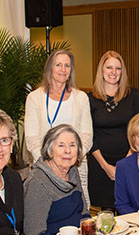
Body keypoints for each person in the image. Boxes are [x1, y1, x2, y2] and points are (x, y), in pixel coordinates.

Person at [25, 49, 93, 208]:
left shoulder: (81, 98)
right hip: (44, 167)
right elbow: (31, 137)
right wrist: (48, 163)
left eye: (67, 65)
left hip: (75, 166)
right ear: (50, 68)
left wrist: (73, 157)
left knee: (77, 211)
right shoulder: (34, 98)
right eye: (58, 65)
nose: (63, 69)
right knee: (45, 212)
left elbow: (87, 134)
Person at [87, 50, 139, 211]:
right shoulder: (90, 98)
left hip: (130, 161)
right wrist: (106, 166)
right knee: (106, 218)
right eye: (109, 67)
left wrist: (125, 163)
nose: (113, 72)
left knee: (131, 213)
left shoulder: (133, 95)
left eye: (118, 68)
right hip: (100, 166)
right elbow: (88, 136)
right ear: (101, 70)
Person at [24, 124, 90, 235]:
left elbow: (84, 214)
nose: (68, 151)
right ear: (49, 150)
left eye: (72, 145)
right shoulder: (38, 182)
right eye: (61, 145)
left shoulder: (72, 172)